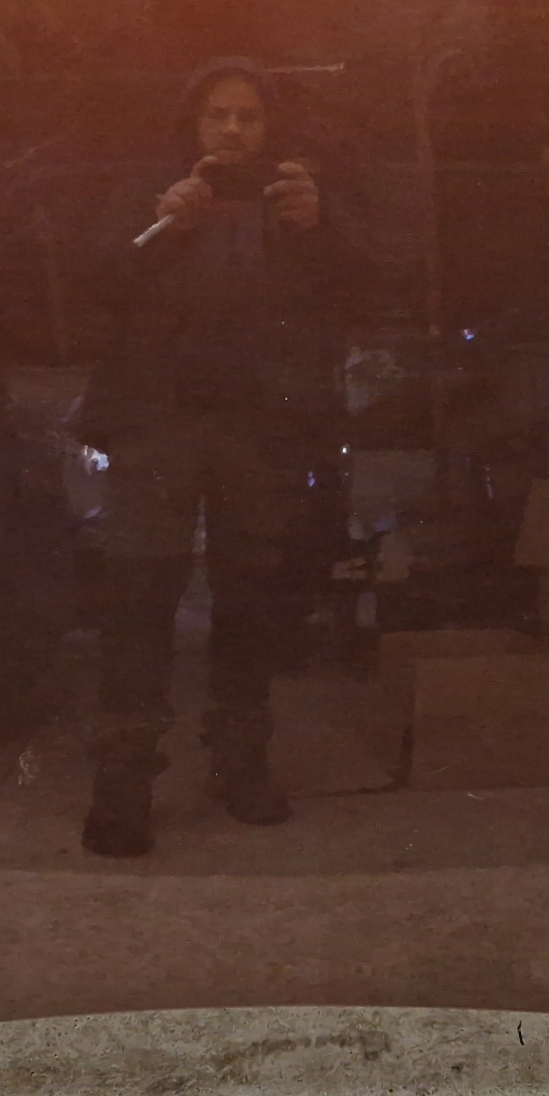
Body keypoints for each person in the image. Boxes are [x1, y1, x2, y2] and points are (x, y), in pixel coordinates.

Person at [74, 60, 370, 856]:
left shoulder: (299, 200)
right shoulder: (152, 192)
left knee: (252, 597)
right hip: (157, 420)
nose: (233, 129)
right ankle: (123, 780)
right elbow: (94, 282)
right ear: (193, 125)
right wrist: (161, 226)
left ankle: (241, 762)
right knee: (139, 593)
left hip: (260, 430)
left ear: (271, 128)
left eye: (249, 115)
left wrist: (319, 230)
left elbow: (360, 289)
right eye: (217, 115)